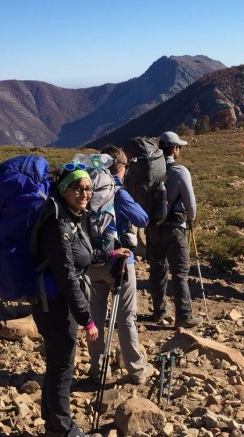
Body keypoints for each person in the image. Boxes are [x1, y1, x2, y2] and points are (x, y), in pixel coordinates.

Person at [31, 162, 130, 437]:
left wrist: (110, 255)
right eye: (78, 188)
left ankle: (53, 422)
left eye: (88, 188)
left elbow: (80, 257)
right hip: (54, 304)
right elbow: (67, 277)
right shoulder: (58, 224)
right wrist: (88, 320)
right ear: (64, 189)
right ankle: (63, 429)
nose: (85, 194)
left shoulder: (71, 216)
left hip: (56, 302)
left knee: (57, 362)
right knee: (62, 365)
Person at [85, 146, 154, 385]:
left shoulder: (86, 189)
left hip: (90, 262)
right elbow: (143, 219)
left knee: (94, 317)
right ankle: (136, 370)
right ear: (120, 166)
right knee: (126, 318)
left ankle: (96, 369)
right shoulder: (117, 192)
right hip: (120, 262)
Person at [147, 131, 203, 329]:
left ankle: (159, 311)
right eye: (179, 146)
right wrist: (191, 217)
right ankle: (184, 315)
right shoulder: (180, 171)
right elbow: (191, 204)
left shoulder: (150, 170)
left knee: (157, 270)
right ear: (174, 149)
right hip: (174, 228)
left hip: (152, 228)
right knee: (179, 272)